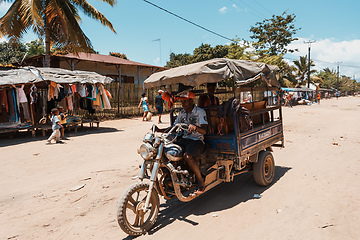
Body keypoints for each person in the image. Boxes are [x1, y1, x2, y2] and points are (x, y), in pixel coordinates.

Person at [155, 91, 208, 194]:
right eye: (181, 102)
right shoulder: (182, 113)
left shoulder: (200, 112)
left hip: (197, 141)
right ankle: (169, 177)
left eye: (185, 102)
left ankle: (200, 181)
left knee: (187, 156)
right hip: (183, 139)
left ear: (191, 100)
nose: (182, 104)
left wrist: (196, 128)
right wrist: (160, 130)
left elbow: (204, 130)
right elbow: (174, 128)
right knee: (165, 152)